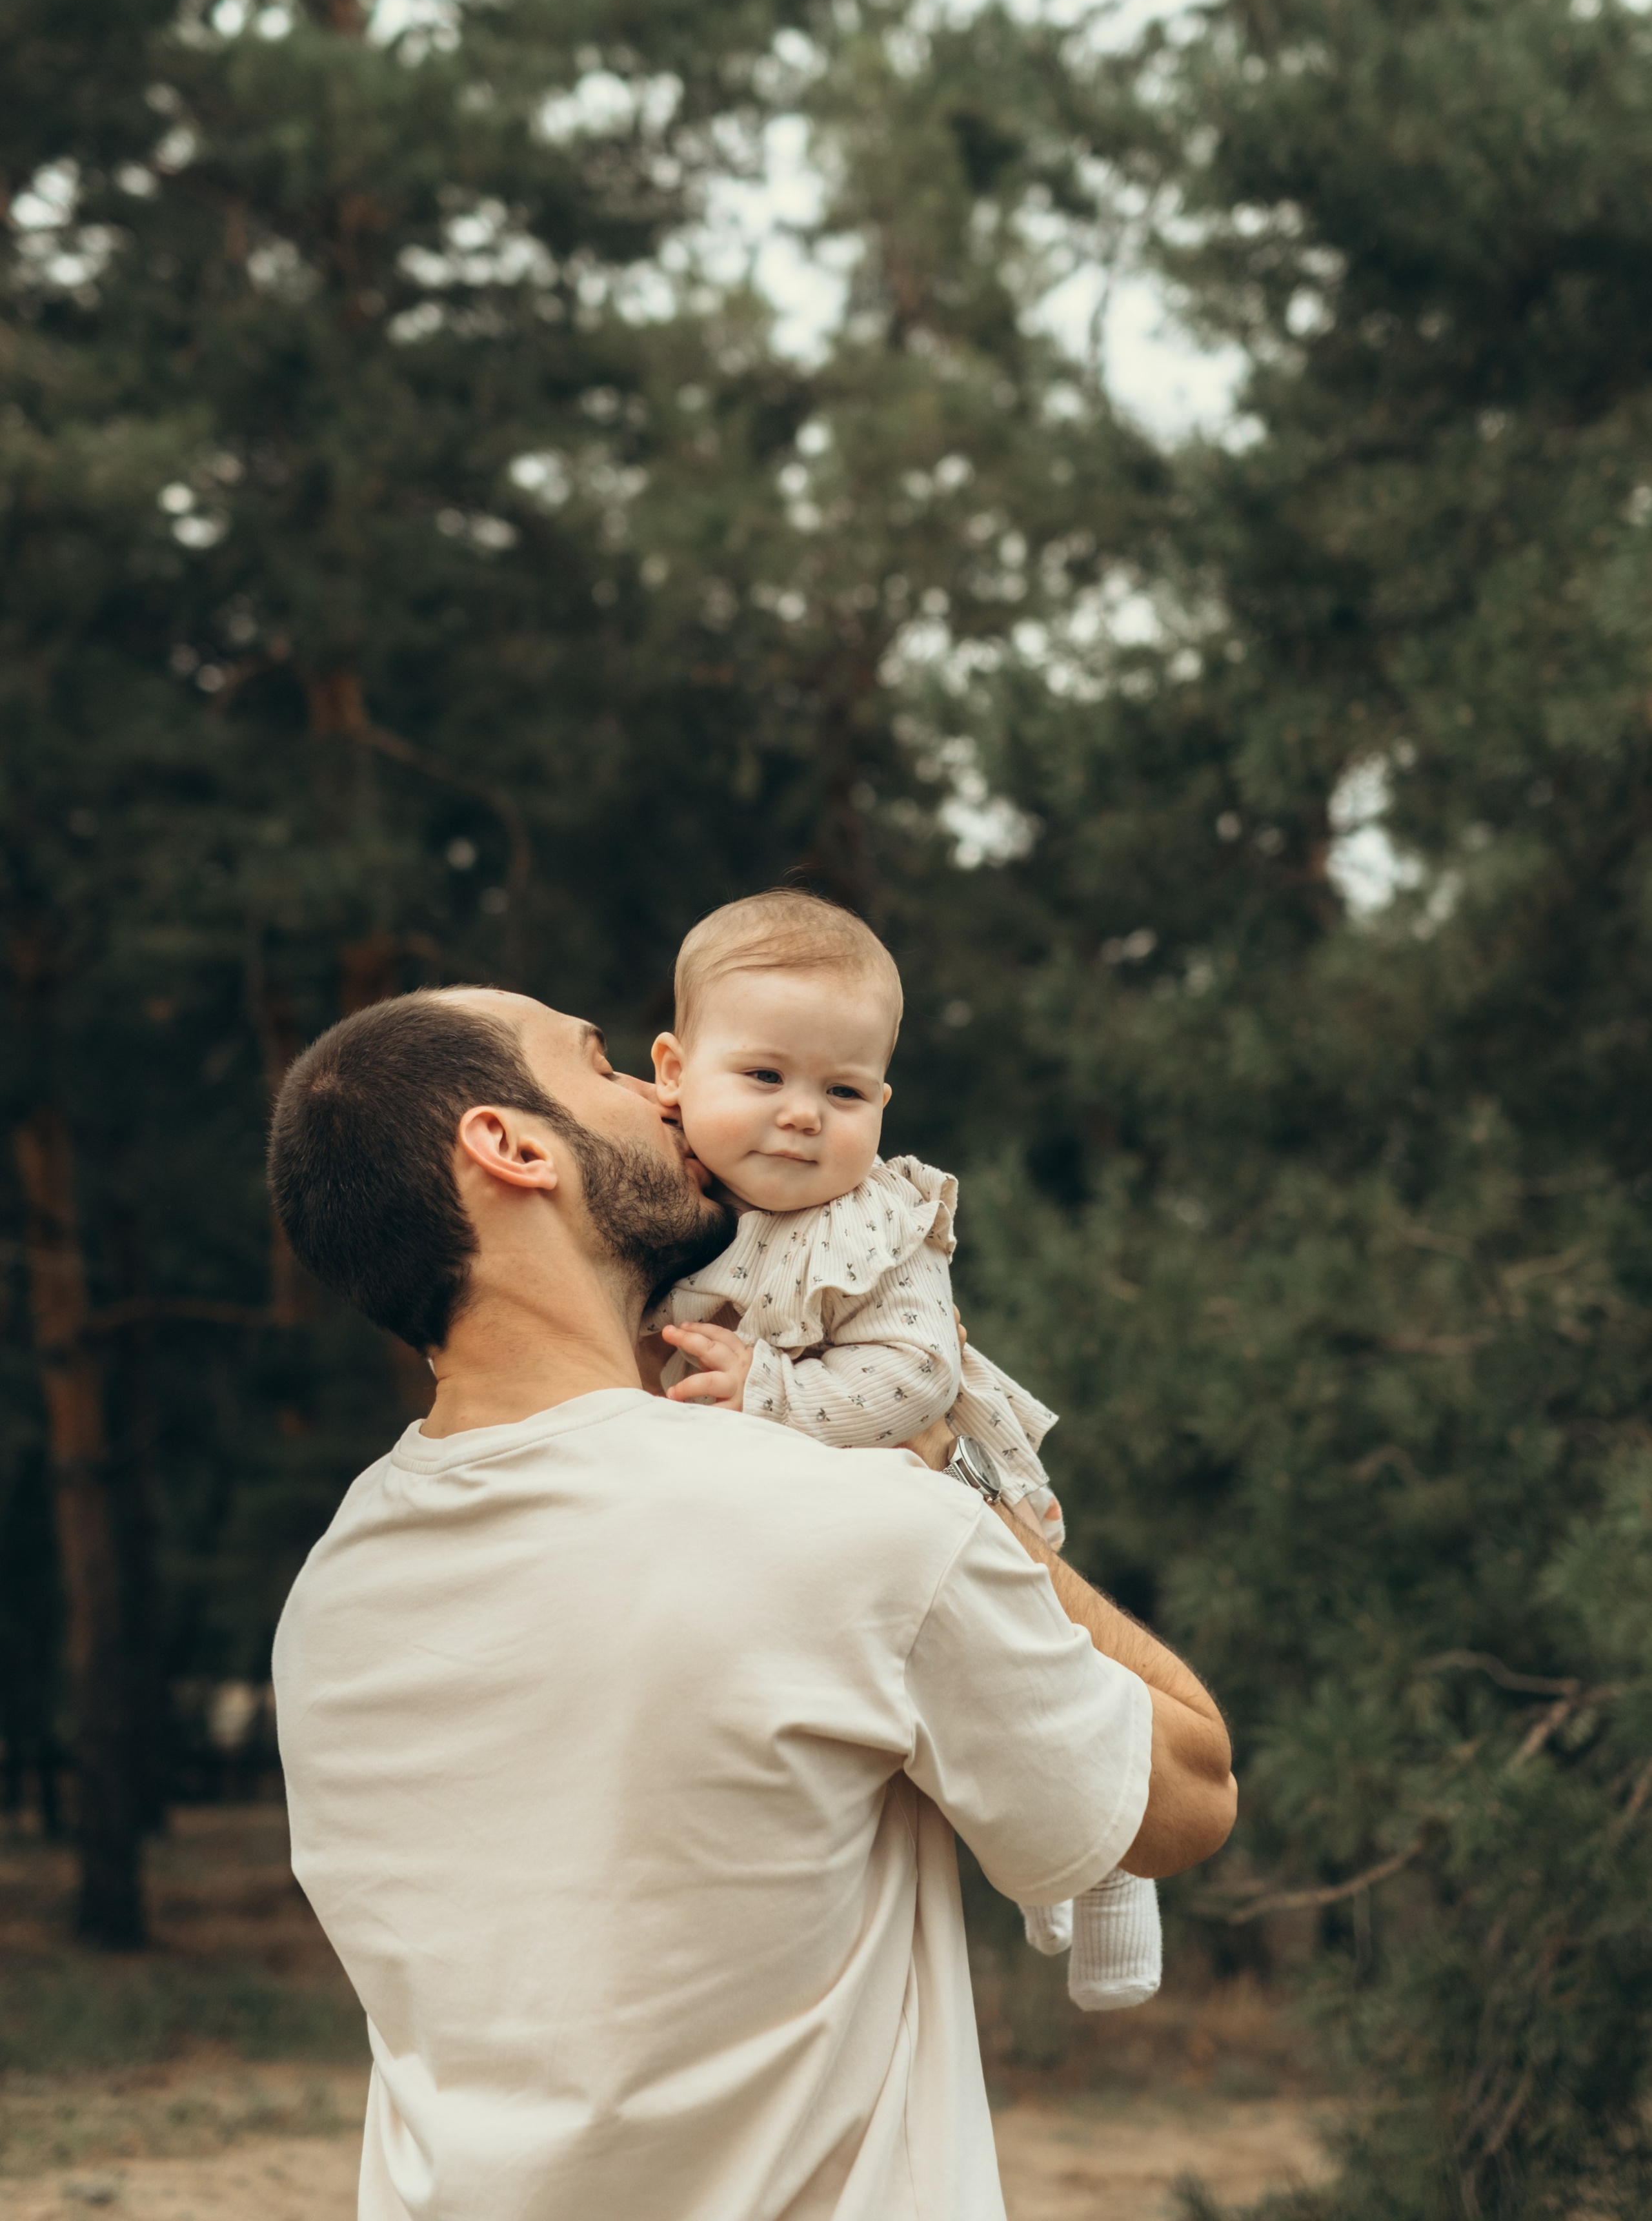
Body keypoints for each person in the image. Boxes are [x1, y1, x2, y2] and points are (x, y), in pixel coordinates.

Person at [268, 986, 1236, 2221]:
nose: (665, 1095)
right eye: (605, 1065)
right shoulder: (854, 1523)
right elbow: (1187, 1794)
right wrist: (958, 1479)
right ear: (512, 1147)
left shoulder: (331, 1597)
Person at [645, 889, 1158, 2014]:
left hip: (957, 1497)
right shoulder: (664, 1203)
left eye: (844, 1092)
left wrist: (771, 1391)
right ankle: (1044, 1862)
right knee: (932, 1744)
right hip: (812, 1542)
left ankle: (1115, 1873)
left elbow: (918, 1380)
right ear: (672, 1073)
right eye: (764, 1076)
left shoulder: (872, 1222)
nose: (801, 1117)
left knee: (1051, 1702)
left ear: (883, 1102)